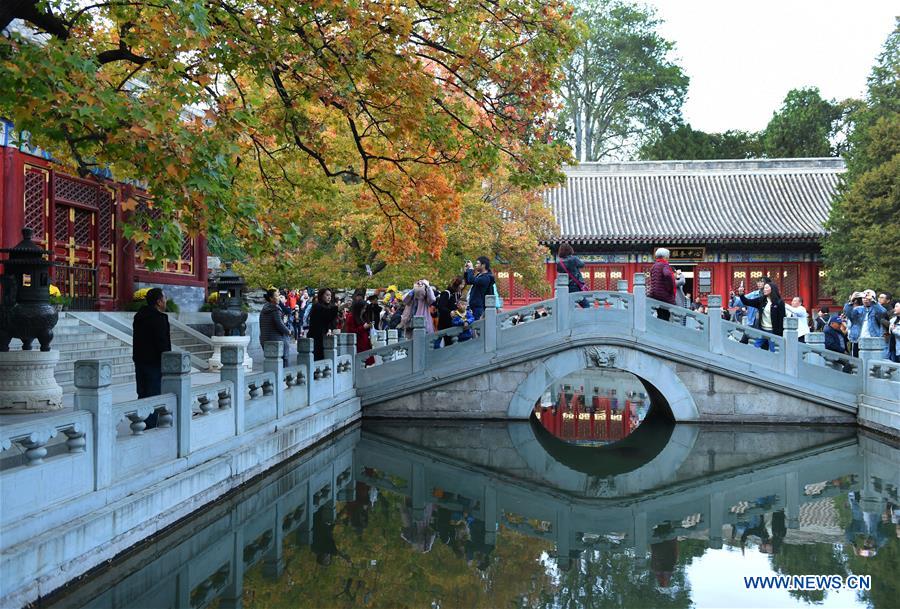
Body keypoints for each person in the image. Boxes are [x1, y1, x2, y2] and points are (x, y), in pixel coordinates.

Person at [132, 288, 171, 428]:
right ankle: (149, 427)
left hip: (140, 361)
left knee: (142, 394)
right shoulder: (159, 318)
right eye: (164, 298)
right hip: (155, 363)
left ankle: (141, 423)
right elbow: (163, 343)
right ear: (159, 301)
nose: (166, 301)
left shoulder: (139, 316)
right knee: (153, 395)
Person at [736, 280, 785, 352]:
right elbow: (747, 302)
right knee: (756, 349)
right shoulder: (762, 300)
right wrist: (741, 294)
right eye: (764, 288)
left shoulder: (779, 302)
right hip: (762, 330)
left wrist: (780, 334)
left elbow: (781, 319)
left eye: (766, 288)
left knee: (773, 351)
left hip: (773, 331)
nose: (764, 289)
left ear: (772, 289)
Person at [843, 290, 888, 358]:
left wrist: (873, 301)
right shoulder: (858, 309)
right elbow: (848, 313)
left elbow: (883, 312)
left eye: (867, 298)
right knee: (856, 360)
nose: (865, 300)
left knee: (872, 360)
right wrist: (851, 301)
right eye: (863, 298)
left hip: (873, 339)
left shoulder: (876, 309)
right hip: (857, 339)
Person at [259, 288, 292, 367]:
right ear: (271, 298)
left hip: (265, 339)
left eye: (279, 296)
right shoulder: (275, 309)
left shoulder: (265, 308)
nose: (279, 298)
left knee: (270, 363)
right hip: (276, 340)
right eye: (277, 296)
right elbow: (279, 324)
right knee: (281, 364)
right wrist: (288, 331)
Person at [308, 288, 339, 360]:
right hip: (316, 337)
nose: (329, 297)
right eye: (327, 295)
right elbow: (327, 314)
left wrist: (329, 330)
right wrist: (340, 307)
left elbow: (331, 321)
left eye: (330, 296)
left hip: (325, 337)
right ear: (321, 295)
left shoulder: (329, 306)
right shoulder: (317, 306)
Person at [647, 248, 676, 320]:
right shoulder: (664, 265)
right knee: (666, 316)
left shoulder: (654, 266)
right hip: (664, 295)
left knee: (660, 315)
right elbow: (667, 275)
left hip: (655, 295)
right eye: (668, 256)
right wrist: (669, 288)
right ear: (665, 256)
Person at [556, 242, 587, 307]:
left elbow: (559, 271)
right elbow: (582, 265)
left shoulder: (559, 263)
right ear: (570, 250)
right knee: (586, 305)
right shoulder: (574, 259)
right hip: (575, 286)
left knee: (567, 306)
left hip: (564, 287)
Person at [464, 256, 495, 321]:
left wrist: (471, 269)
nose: (476, 265)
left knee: (477, 325)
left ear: (483, 265)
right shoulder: (480, 275)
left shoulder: (486, 277)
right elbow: (469, 281)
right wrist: (466, 271)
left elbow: (472, 280)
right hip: (473, 306)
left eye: (477, 263)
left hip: (478, 307)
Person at [436, 277, 464, 347]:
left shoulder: (458, 294)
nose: (463, 286)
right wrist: (450, 312)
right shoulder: (446, 293)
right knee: (438, 342)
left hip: (453, 322)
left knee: (450, 343)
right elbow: (441, 307)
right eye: (461, 284)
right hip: (444, 323)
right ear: (457, 284)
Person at [345, 300, 374, 365]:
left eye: (365, 309)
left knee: (366, 364)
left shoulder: (363, 316)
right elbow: (351, 332)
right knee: (361, 364)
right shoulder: (351, 317)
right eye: (363, 309)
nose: (364, 310)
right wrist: (363, 327)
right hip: (358, 345)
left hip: (366, 343)